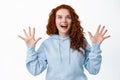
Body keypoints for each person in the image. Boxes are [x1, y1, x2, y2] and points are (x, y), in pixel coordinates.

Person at [18, 4, 110, 80]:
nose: (64, 20)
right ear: (54, 21)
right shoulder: (47, 44)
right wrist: (30, 49)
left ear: (73, 21)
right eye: (59, 17)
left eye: (68, 17)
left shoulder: (81, 42)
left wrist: (96, 47)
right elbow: (35, 70)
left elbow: (93, 69)